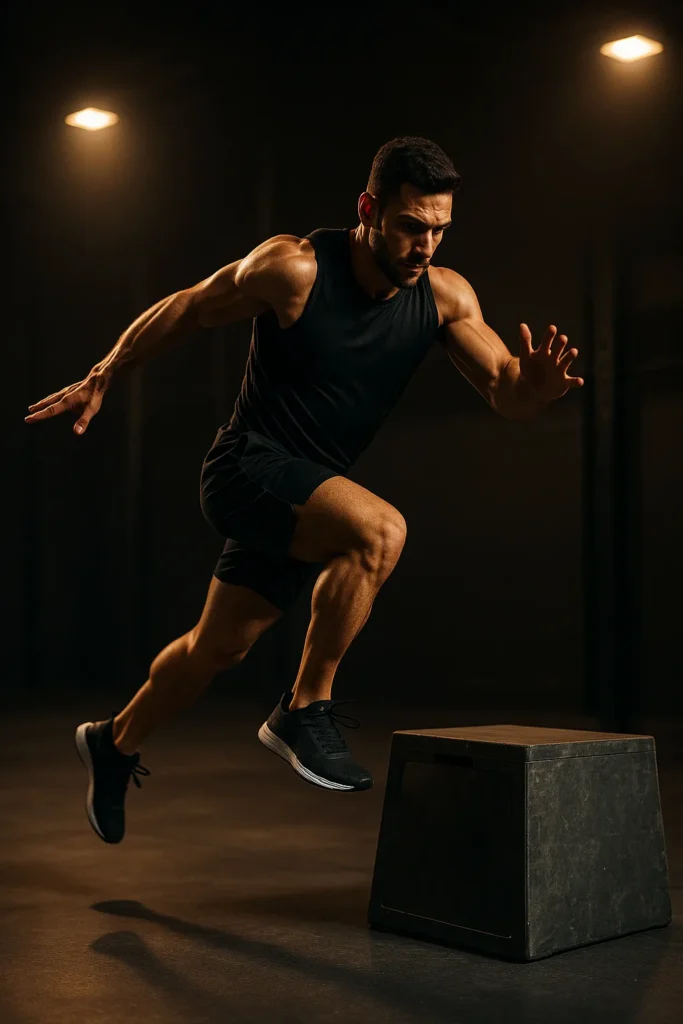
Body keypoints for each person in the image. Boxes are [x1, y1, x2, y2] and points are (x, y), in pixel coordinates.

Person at [25, 137, 583, 844]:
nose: (426, 245)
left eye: (439, 228)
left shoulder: (444, 297)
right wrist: (106, 371)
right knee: (380, 531)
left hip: (304, 496)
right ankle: (303, 707)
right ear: (368, 211)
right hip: (246, 467)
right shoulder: (293, 268)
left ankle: (114, 742)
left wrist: (533, 392)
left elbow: (505, 391)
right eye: (412, 226)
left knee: (216, 647)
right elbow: (189, 307)